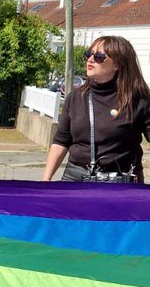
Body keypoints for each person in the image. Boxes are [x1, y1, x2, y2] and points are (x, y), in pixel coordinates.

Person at [42, 35, 150, 183]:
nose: (90, 59)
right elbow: (61, 141)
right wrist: (46, 180)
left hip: (121, 181)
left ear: (117, 64)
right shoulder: (76, 97)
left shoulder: (138, 99)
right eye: (88, 54)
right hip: (76, 178)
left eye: (99, 56)